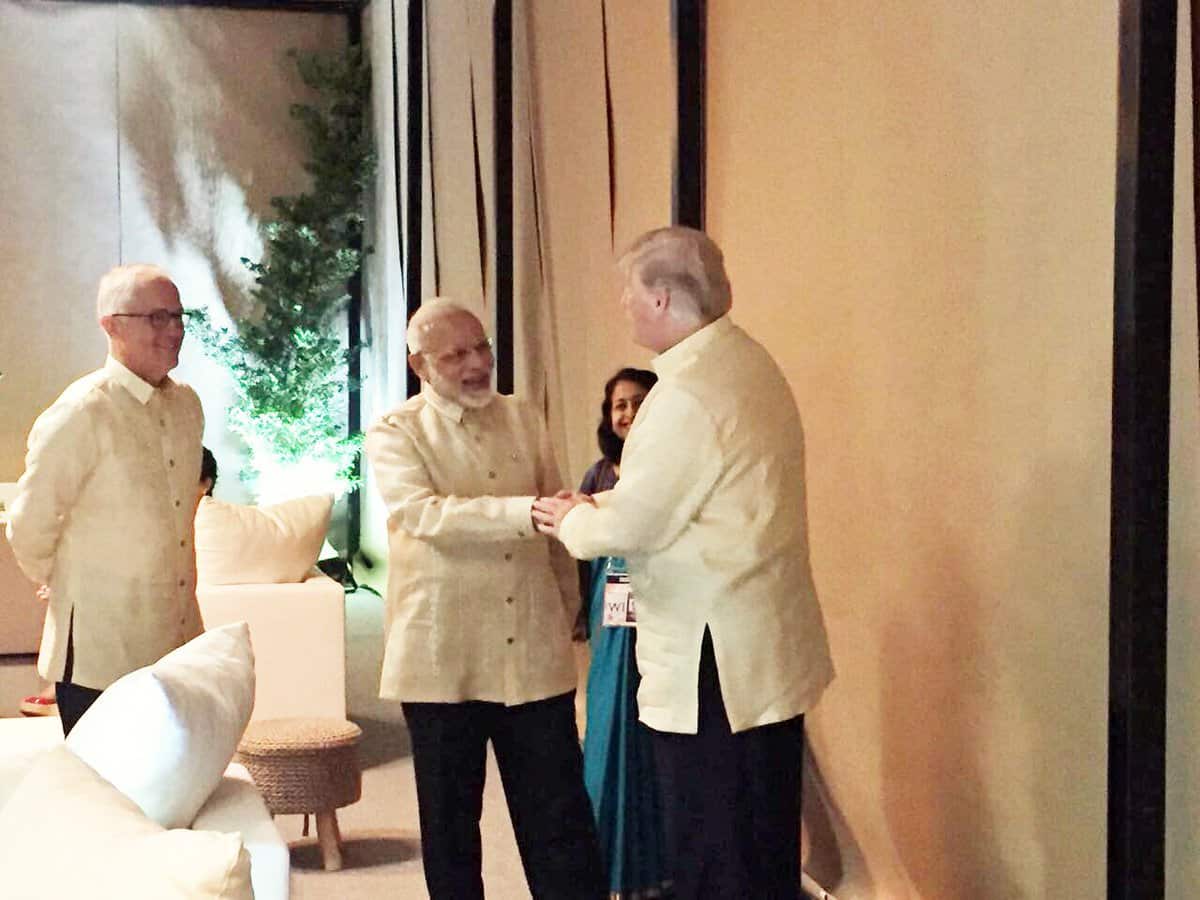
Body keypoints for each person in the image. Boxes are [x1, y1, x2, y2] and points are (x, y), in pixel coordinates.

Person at [533, 227, 836, 899]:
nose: (623, 304)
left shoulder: (685, 394)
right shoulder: (748, 361)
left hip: (713, 657)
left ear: (663, 299)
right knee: (763, 839)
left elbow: (636, 521)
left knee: (711, 846)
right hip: (761, 640)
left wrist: (572, 517)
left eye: (630, 292)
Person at [364, 298, 605, 900]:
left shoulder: (524, 415)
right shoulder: (396, 431)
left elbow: (555, 513)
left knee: (560, 818)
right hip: (442, 654)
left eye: (482, 348)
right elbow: (421, 514)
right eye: (456, 355)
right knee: (451, 827)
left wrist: (566, 600)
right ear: (421, 365)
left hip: (531, 650)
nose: (476, 365)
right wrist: (524, 513)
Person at [6, 264, 205, 736]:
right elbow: (29, 521)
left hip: (177, 639)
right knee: (107, 795)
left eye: (179, 316)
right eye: (157, 317)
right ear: (111, 325)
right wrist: (63, 580)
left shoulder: (187, 406)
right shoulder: (83, 411)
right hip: (101, 648)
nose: (174, 330)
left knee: (173, 788)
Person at [576, 367, 669, 898]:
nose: (628, 413)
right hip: (613, 625)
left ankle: (654, 868)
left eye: (639, 402)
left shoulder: (664, 469)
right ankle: (606, 863)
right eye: (619, 406)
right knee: (609, 721)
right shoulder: (600, 475)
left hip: (658, 621)